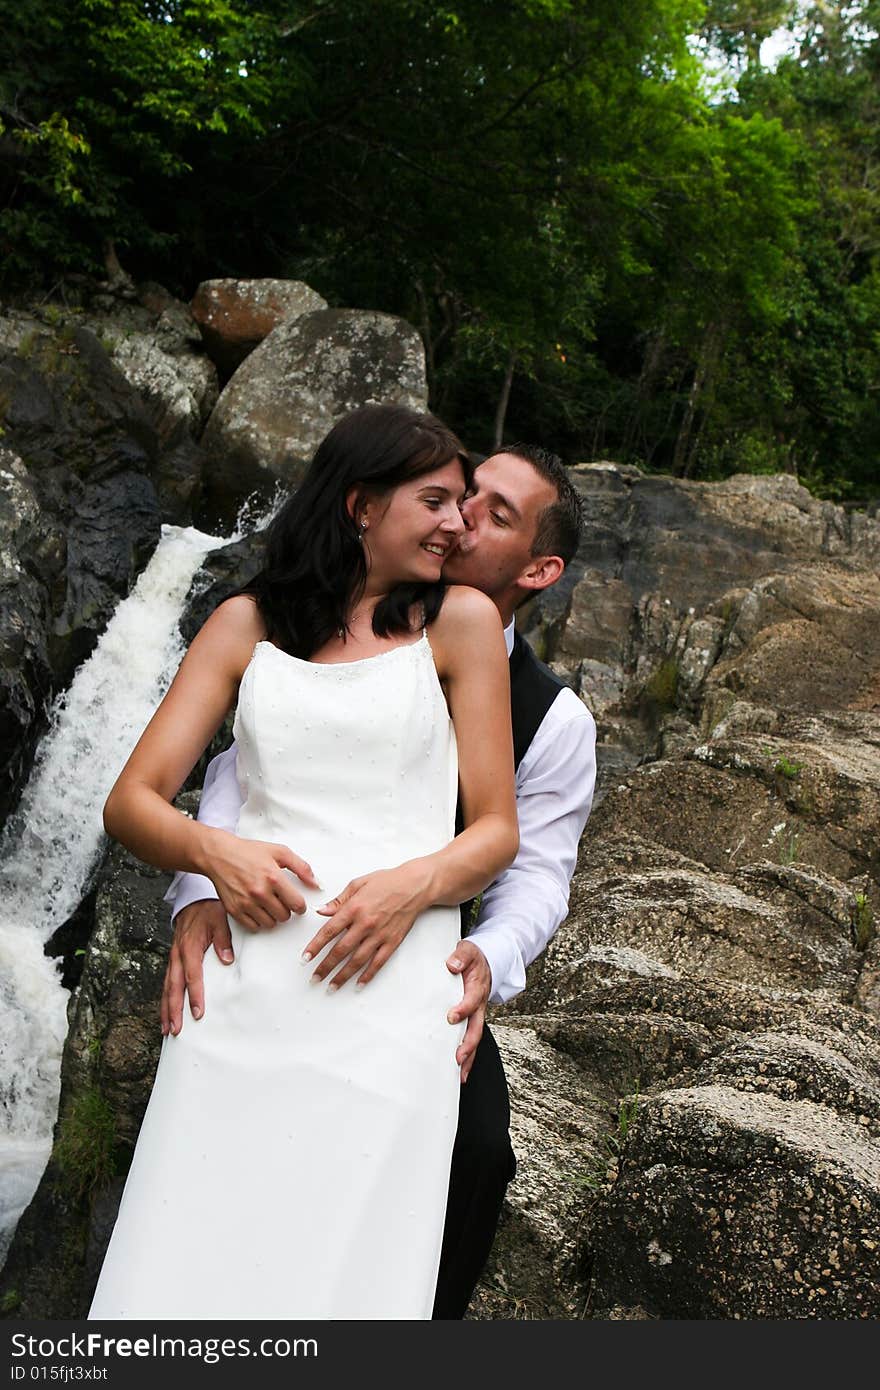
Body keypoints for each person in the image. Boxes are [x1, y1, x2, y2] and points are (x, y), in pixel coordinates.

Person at [88, 404, 520, 1321]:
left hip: (394, 989)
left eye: (465, 505)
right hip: (245, 988)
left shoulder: (464, 625)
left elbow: (494, 831)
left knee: (352, 1267)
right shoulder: (245, 624)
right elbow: (131, 800)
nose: (458, 524)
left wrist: (413, 885)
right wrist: (214, 855)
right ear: (361, 505)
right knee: (195, 1251)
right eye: (436, 500)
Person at [164, 442, 597, 1319]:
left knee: (476, 1155)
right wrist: (200, 893)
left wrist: (484, 955)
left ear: (540, 569)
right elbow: (237, 779)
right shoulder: (312, 617)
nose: (464, 515)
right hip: (276, 919)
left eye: (496, 513)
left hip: (418, 953)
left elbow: (536, 871)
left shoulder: (554, 717)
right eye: (462, 494)